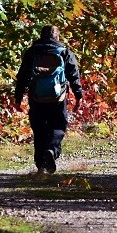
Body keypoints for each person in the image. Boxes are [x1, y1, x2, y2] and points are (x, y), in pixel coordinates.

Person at [13, 25, 82, 174]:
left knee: (39, 129)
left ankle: (41, 166)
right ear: (57, 37)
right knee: (58, 126)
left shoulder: (32, 52)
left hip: (36, 96)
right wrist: (78, 96)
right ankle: (52, 150)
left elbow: (23, 76)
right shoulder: (64, 52)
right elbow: (74, 76)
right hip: (58, 97)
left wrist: (18, 98)